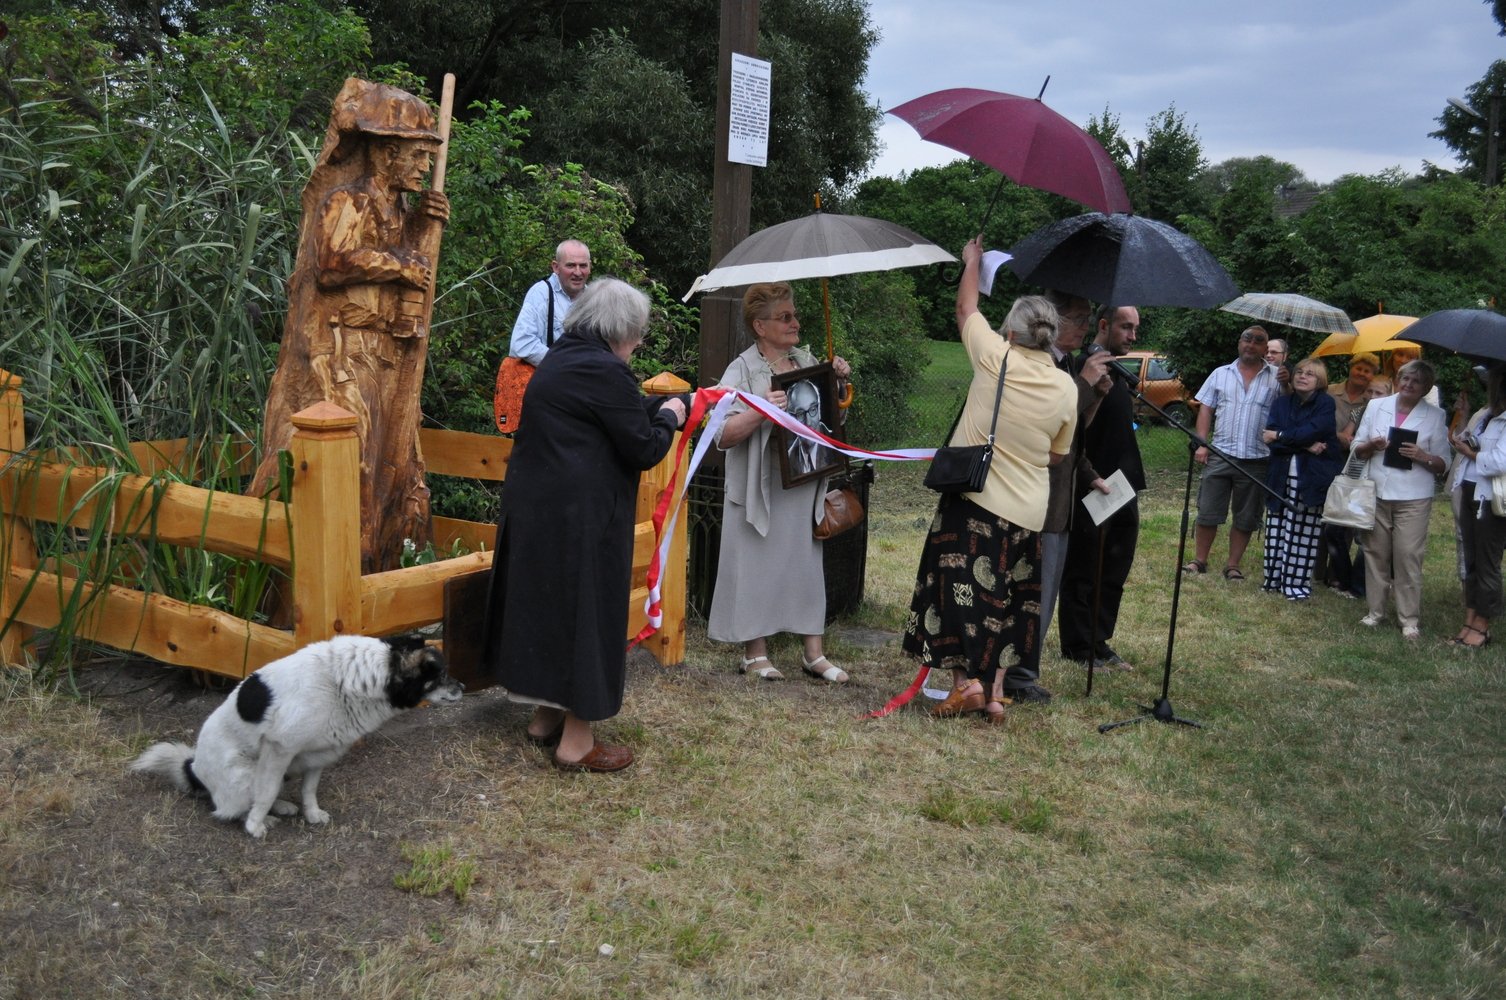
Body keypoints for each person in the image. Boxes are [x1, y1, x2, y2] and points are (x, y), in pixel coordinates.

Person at [482, 278, 688, 772]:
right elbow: (643, 447)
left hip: (538, 513)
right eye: (637, 334)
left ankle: (545, 717)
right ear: (621, 330)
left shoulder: (562, 358)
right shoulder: (605, 370)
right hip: (581, 521)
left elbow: (608, 414)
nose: (638, 343)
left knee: (550, 611)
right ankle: (576, 743)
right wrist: (670, 416)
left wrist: (662, 408)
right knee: (587, 617)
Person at [903, 238, 1075, 722]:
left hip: (976, 499)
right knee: (1011, 601)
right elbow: (1057, 455)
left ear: (1012, 331)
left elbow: (965, 308)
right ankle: (997, 692)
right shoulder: (1065, 385)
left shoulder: (995, 356)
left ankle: (967, 685)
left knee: (962, 591)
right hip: (1030, 511)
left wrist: (973, 262)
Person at [706, 282, 852, 683]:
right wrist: (761, 411)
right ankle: (754, 654)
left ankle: (814, 654)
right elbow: (721, 435)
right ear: (760, 326)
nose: (795, 323)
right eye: (785, 317)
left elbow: (830, 421)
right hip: (760, 487)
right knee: (756, 565)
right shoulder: (740, 370)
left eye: (795, 315)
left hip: (802, 483)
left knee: (805, 565)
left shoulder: (807, 360)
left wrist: (838, 384)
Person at [1058, 304, 1143, 673]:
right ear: (1104, 325)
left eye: (1135, 329)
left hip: (1123, 485)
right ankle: (1078, 645)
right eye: (1126, 327)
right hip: (1090, 484)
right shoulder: (1082, 369)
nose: (1132, 336)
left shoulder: (1118, 373)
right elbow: (1072, 429)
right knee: (1085, 568)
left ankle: (1099, 639)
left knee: (1114, 569)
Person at [1037, 290, 1113, 669]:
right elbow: (1048, 424)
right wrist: (1084, 382)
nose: (1086, 327)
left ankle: (1025, 670)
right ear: (1054, 320)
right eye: (1080, 319)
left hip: (1062, 500)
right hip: (1038, 500)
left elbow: (1073, 433)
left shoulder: (1066, 363)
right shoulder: (1040, 363)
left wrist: (1095, 395)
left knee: (1049, 588)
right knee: (1036, 589)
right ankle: (1018, 673)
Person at [1352, 359, 1449, 641]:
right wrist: (1371, 445)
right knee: (1375, 553)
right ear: (1397, 380)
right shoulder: (1376, 406)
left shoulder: (1435, 415)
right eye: (1405, 378)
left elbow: (1443, 463)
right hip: (1376, 491)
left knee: (1407, 556)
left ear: (1426, 388)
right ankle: (1375, 612)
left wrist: (1422, 456)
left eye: (1416, 381)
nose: (1408, 384)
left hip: (1413, 497)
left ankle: (1409, 619)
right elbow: (1357, 447)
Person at [1184, 326, 1280, 581]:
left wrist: (1288, 383)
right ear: (1239, 343)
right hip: (1221, 453)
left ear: (1265, 348)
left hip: (1257, 458)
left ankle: (1233, 565)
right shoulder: (1220, 373)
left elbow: (1288, 409)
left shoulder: (1276, 378)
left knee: (1246, 516)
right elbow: (1206, 409)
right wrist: (1202, 444)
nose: (1251, 344)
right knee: (1208, 511)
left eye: (1258, 341)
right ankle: (1199, 560)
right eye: (1247, 339)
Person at [1259, 358, 1342, 601]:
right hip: (1280, 474)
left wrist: (1281, 435)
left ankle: (1295, 585)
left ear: (1320, 381)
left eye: (1310, 374)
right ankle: (1273, 580)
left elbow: (1312, 431)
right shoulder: (1281, 403)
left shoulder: (1325, 403)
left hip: (1311, 478)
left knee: (1303, 530)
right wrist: (1305, 446)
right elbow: (1270, 440)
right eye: (1299, 372)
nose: (1302, 376)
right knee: (1276, 526)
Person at [1446, 363, 1506, 649]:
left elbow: (1499, 462)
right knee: (1470, 559)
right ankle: (1469, 621)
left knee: (1486, 563)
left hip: (1490, 499)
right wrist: (1464, 418)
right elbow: (1470, 444)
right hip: (1470, 490)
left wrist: (1470, 453)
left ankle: (1482, 626)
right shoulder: (1487, 417)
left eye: (1491, 381)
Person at [1324, 374, 1392, 598]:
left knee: (1366, 536)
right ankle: (1344, 579)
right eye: (1369, 391)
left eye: (1379, 392)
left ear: (1390, 394)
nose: (1372, 396)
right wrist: (1353, 440)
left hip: (1378, 479)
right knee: (1334, 528)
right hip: (1353, 474)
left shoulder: (1394, 416)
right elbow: (1347, 436)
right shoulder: (1360, 412)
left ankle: (1358, 586)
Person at [508, 239, 592, 366]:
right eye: (570, 265)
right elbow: (522, 344)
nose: (577, 272)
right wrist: (567, 364)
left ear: (590, 267)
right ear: (556, 267)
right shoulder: (541, 293)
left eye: (583, 266)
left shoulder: (594, 299)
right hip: (551, 376)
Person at [1329, 352, 1380, 449]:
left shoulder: (1373, 401)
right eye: (1358, 369)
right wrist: (1337, 435)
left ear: (1373, 376)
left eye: (1367, 371)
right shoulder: (1329, 391)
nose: (1361, 373)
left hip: (1354, 453)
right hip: (1325, 448)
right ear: (1350, 369)